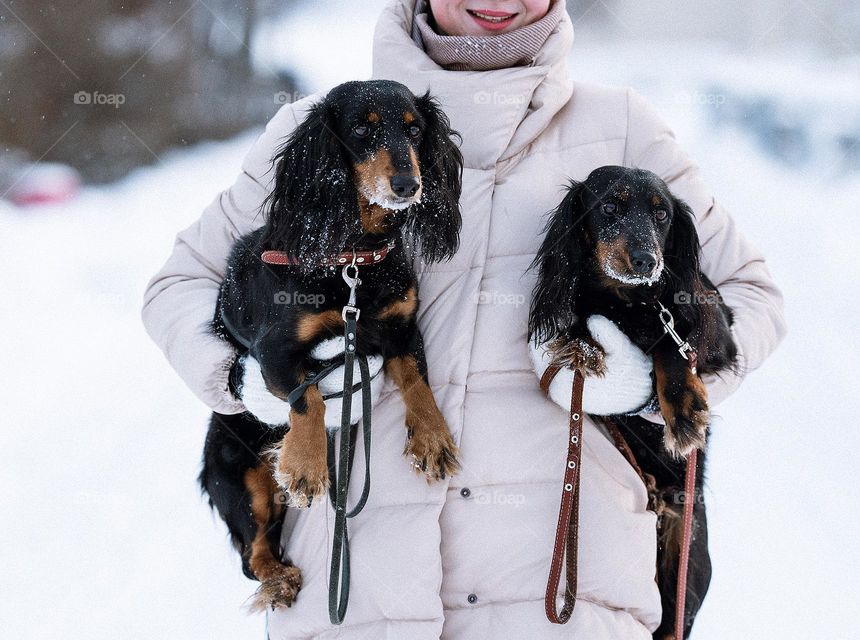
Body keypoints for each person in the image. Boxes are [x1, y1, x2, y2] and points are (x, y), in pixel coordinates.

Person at [141, 0, 786, 637]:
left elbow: (749, 294)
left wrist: (647, 386)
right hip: (356, 596)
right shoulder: (318, 128)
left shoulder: (619, 126)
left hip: (565, 594)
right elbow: (179, 284)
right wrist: (244, 384)